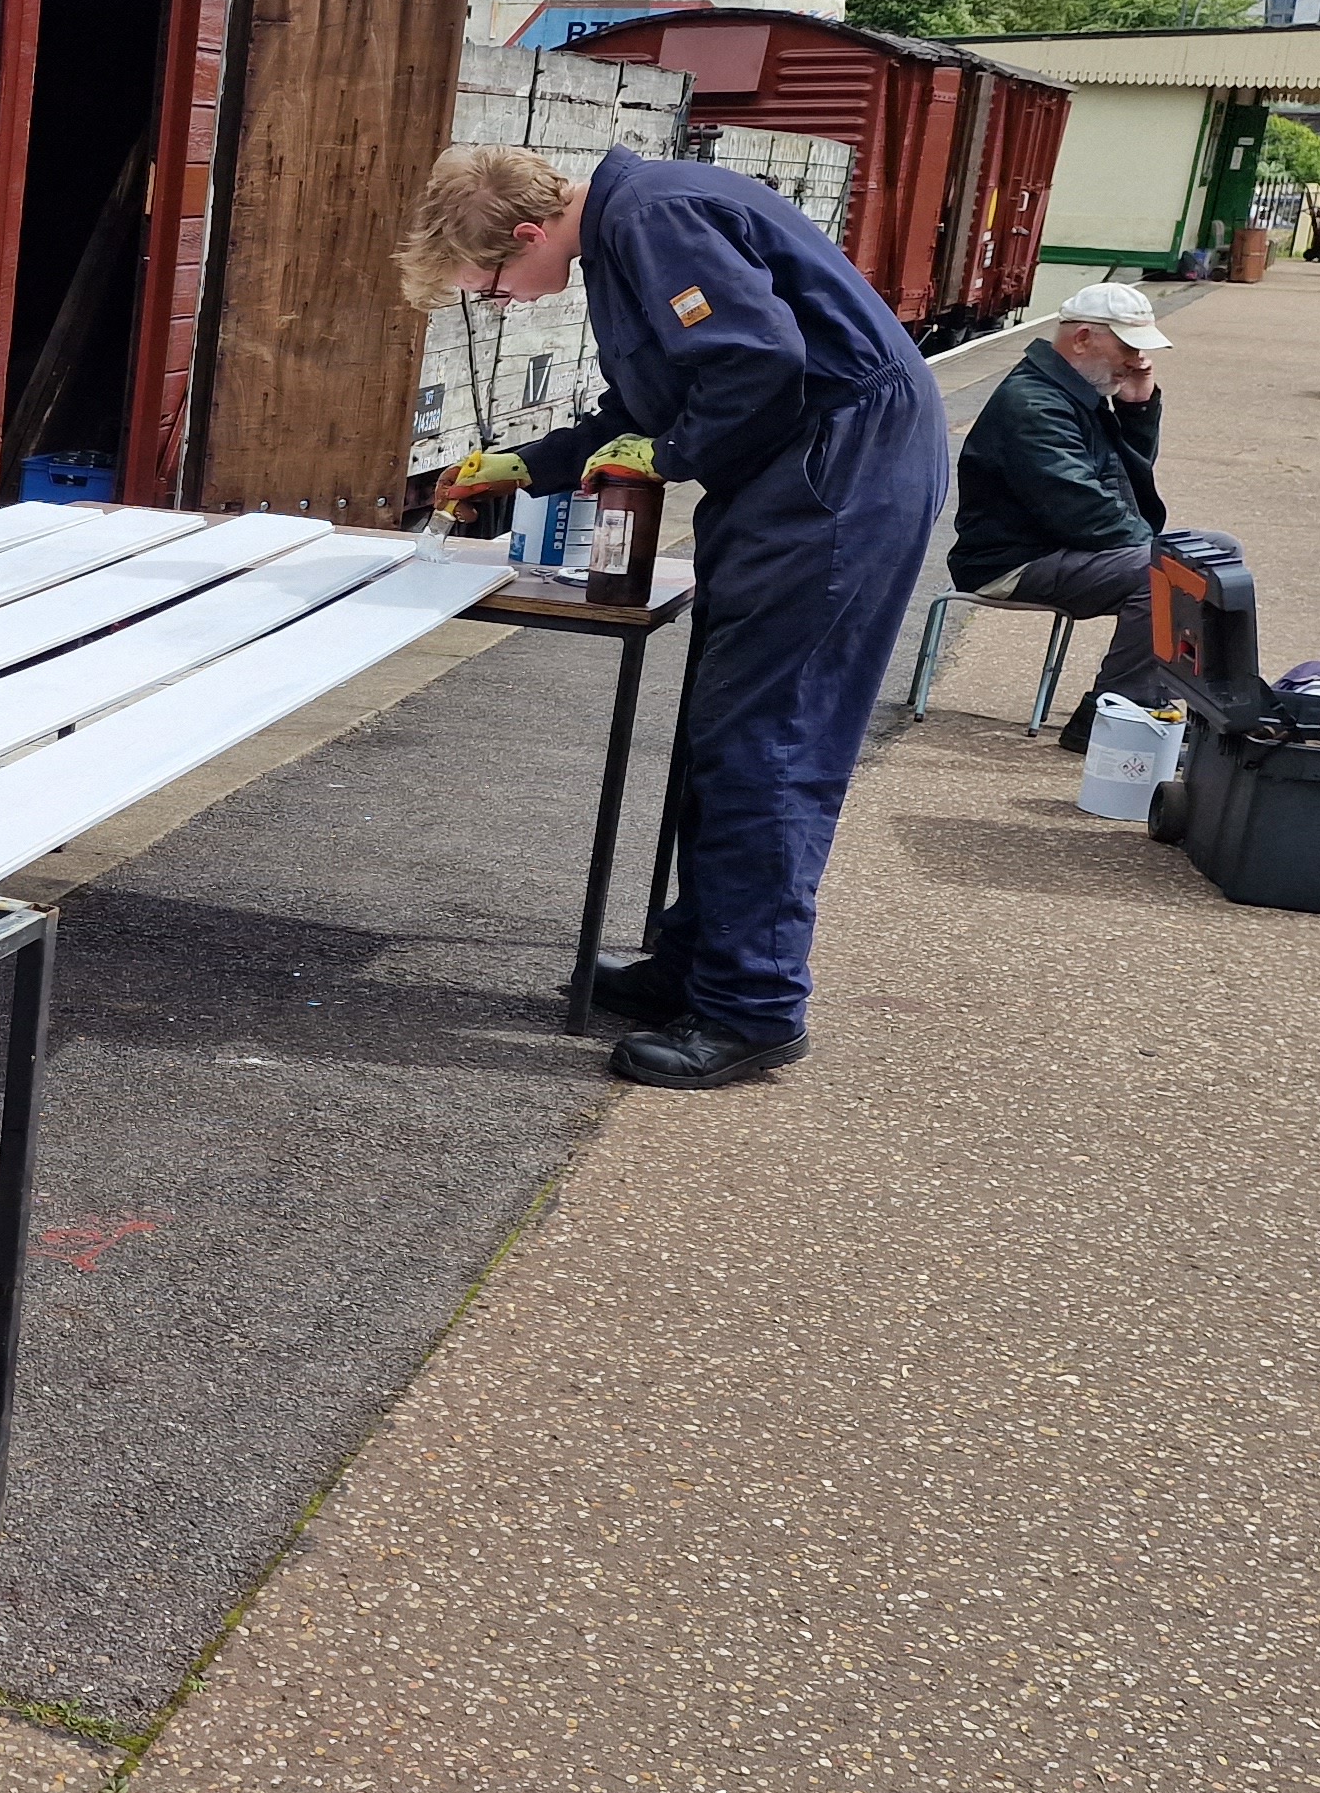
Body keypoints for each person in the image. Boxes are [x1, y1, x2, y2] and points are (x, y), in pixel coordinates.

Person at [397, 144, 946, 1090]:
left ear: (526, 235)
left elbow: (755, 363)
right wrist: (534, 465)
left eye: (489, 287)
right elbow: (654, 400)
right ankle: (697, 964)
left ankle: (752, 1005)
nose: (503, 302)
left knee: (770, 740)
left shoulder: (652, 216)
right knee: (723, 729)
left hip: (835, 479)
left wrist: (671, 456)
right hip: (805, 473)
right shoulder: (626, 230)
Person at [942, 284, 1182, 751]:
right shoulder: (1035, 403)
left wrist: (1136, 409)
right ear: (1083, 339)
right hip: (1012, 561)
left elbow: (1124, 491)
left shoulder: (1074, 392)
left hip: (1061, 548)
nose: (1138, 360)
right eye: (1129, 347)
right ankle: (1114, 715)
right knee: (1169, 572)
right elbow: (1084, 512)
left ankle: (1166, 701)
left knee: (1216, 554)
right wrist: (1162, 552)